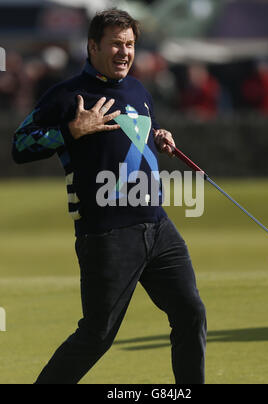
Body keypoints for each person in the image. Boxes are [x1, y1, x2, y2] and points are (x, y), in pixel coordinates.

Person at [12, 9, 207, 385]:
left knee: (190, 312)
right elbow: (20, 145)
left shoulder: (138, 89)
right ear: (92, 46)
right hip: (107, 235)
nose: (124, 52)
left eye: (130, 44)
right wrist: (71, 130)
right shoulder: (66, 95)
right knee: (97, 335)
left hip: (158, 227)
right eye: (115, 44)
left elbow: (132, 135)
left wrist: (157, 136)